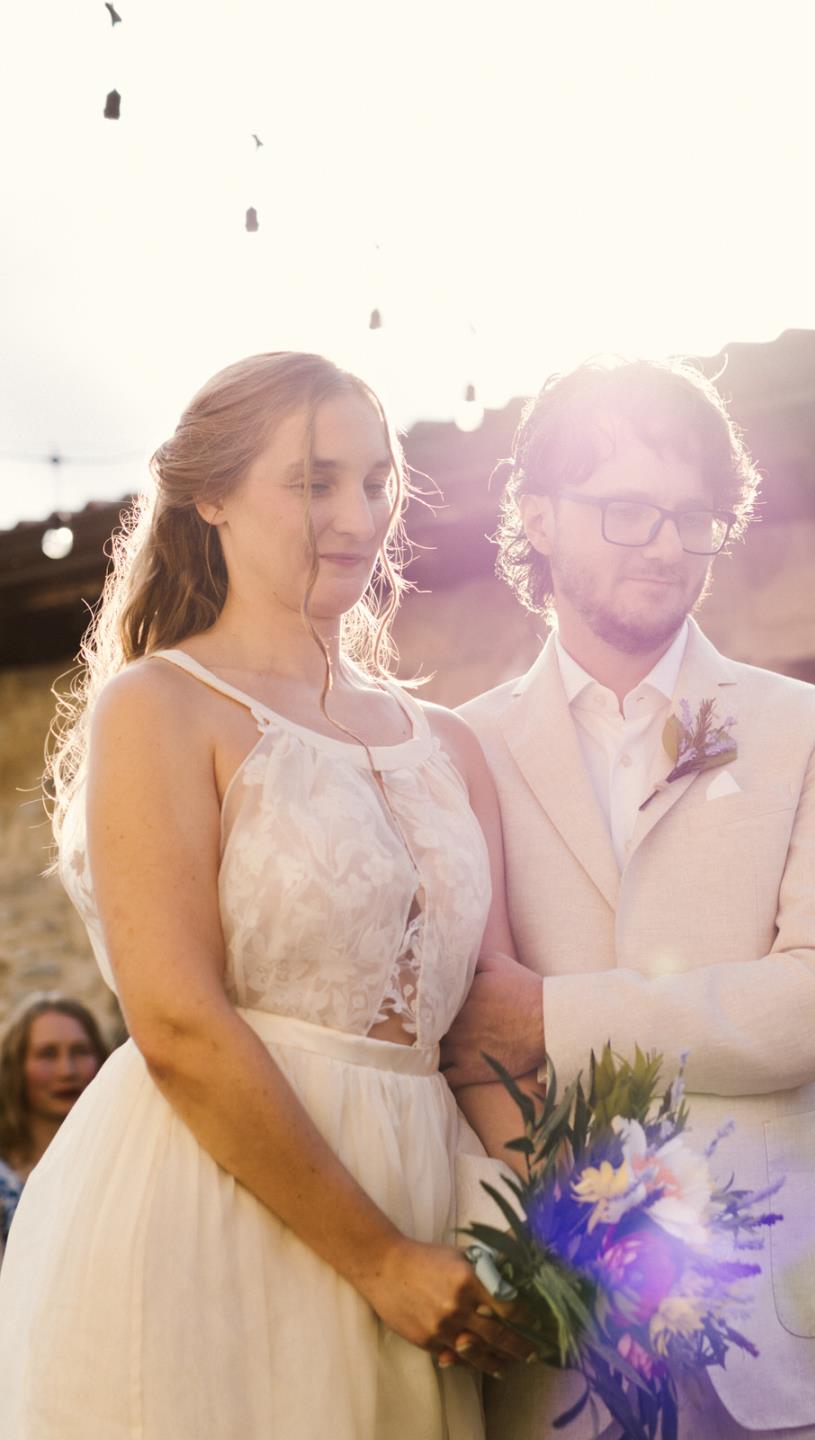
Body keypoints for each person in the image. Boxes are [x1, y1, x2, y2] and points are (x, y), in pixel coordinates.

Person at [0, 352, 529, 1439]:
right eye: (314, 480)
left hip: (434, 1203)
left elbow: (488, 1022)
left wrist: (543, 1232)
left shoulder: (455, 746)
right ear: (211, 494)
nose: (356, 514)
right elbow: (179, 1021)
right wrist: (380, 1260)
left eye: (377, 482)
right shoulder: (160, 708)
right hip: (221, 1206)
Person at [445, 357, 815, 1439]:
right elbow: (455, 1026)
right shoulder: (455, 748)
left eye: (693, 517)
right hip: (548, 1324)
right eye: (626, 511)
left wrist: (555, 1017)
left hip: (778, 1327)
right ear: (538, 516)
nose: (666, 545)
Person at [0, 993, 108, 1257]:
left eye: (80, 1051)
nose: (67, 1071)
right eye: (47, 1054)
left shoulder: (121, 1160)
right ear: (16, 1066)